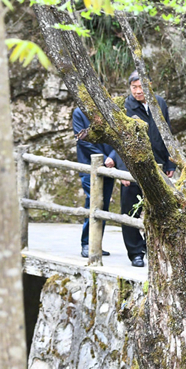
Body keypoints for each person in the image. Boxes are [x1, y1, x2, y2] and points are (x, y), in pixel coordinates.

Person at [121, 72, 176, 267]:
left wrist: (170, 162)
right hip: (133, 167)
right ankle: (135, 252)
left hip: (158, 163)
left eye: (141, 87)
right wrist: (123, 170)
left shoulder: (159, 103)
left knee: (159, 208)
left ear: (149, 85)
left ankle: (153, 248)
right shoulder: (125, 106)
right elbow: (119, 139)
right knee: (130, 210)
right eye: (134, 87)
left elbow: (167, 132)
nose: (138, 91)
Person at [72, 107, 117, 258]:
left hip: (110, 165)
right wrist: (104, 158)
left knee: (104, 205)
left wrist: (112, 157)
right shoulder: (79, 112)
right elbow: (82, 140)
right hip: (88, 165)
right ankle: (87, 243)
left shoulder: (108, 108)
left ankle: (96, 243)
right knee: (93, 202)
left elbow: (118, 136)